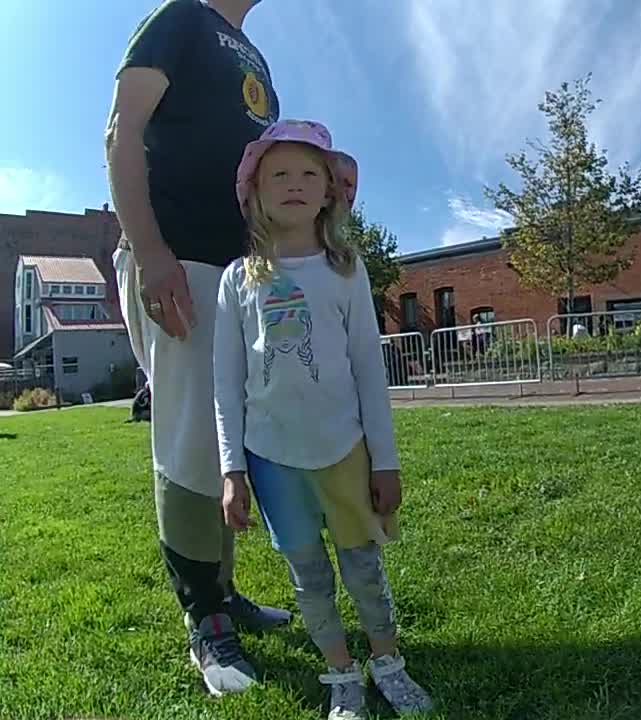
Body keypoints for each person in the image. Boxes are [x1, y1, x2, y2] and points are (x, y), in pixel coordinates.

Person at [214, 120, 434, 719]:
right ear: (254, 192)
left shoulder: (346, 269)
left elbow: (368, 366)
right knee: (309, 576)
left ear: (330, 191)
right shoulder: (239, 280)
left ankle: (388, 664)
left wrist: (384, 460)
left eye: (309, 173)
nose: (294, 184)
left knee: (364, 567)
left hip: (346, 451)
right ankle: (342, 676)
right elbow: (226, 385)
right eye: (277, 173)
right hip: (272, 457)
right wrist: (233, 470)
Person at [104, 0, 290, 697]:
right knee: (188, 440)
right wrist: (153, 253)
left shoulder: (254, 55)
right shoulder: (178, 17)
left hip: (239, 275)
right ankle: (205, 622)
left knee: (226, 443)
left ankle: (224, 592)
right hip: (178, 262)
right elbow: (123, 131)